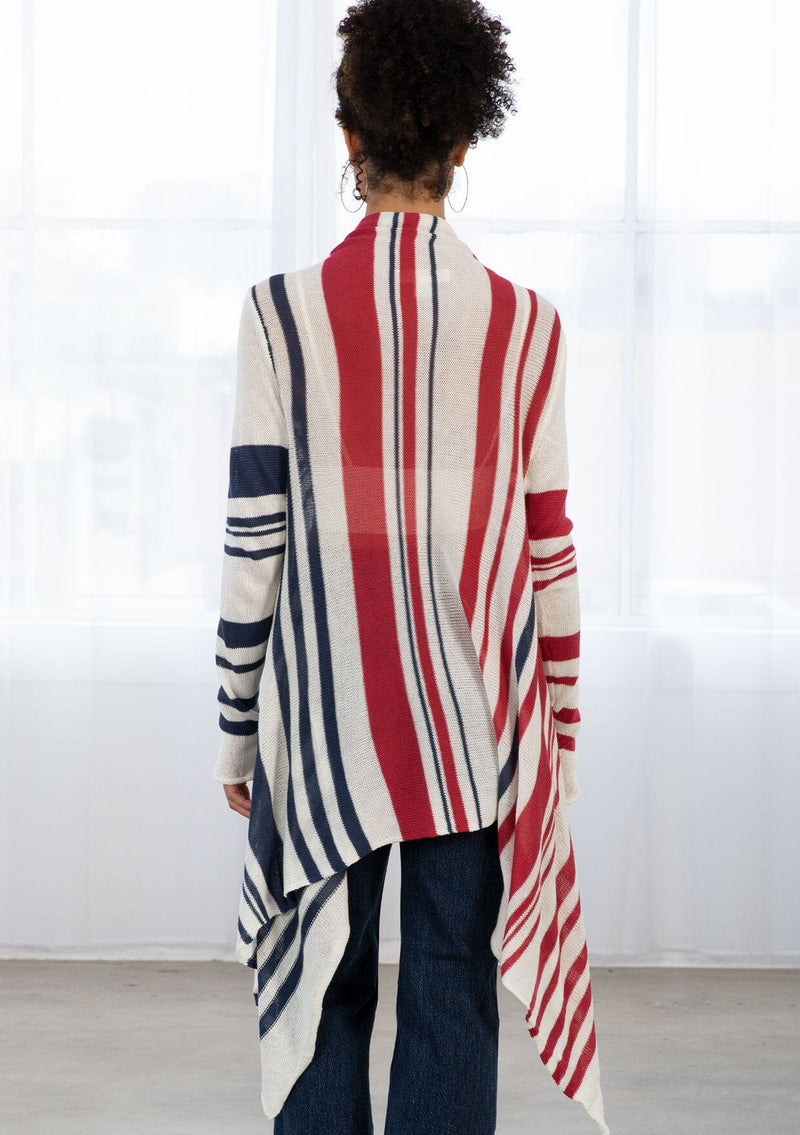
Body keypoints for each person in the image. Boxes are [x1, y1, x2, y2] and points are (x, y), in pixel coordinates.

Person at [213, 2, 610, 1133]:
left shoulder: (280, 316)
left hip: (322, 715)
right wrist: (560, 733)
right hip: (475, 724)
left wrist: (237, 724)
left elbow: (255, 543)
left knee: (323, 993)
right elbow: (547, 551)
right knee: (449, 987)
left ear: (348, 138)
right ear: (462, 145)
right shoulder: (526, 327)